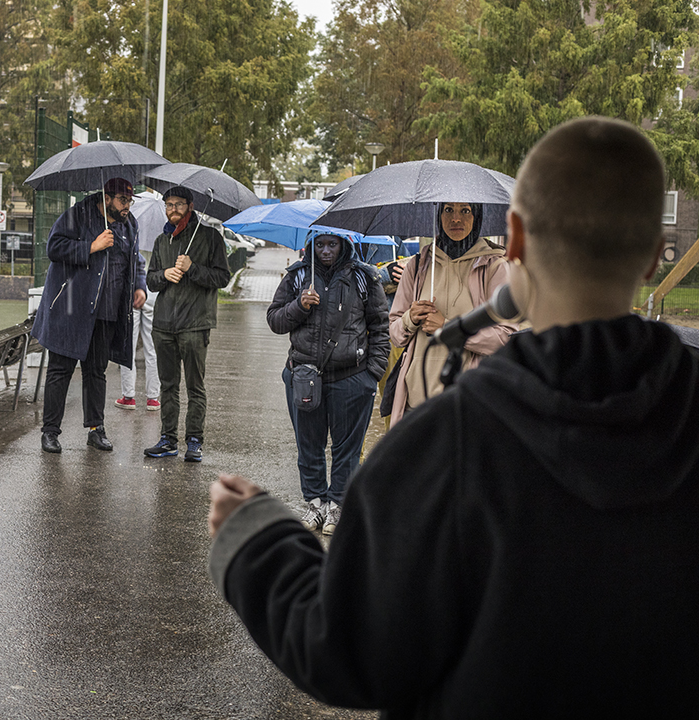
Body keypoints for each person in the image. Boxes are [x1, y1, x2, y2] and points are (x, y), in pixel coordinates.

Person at [206, 116, 699, 717]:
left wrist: (256, 540)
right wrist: (406, 325)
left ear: (512, 237)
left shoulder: (448, 441)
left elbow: (351, 647)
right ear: (654, 256)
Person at [266, 231, 388, 533]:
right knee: (309, 445)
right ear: (310, 246)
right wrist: (300, 305)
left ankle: (337, 505)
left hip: (352, 378)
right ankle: (316, 502)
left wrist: (372, 373)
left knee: (347, 448)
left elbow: (380, 325)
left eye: (331, 244)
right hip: (304, 377)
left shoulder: (364, 278)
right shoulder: (296, 276)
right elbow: (275, 320)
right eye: (319, 244)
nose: (325, 251)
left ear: (343, 244)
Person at [31, 177, 147, 454]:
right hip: (73, 309)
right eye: (122, 200)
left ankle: (96, 429)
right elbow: (54, 248)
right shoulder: (77, 215)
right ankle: (50, 432)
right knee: (61, 371)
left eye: (130, 201)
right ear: (106, 198)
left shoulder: (129, 224)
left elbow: (136, 259)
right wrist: (91, 247)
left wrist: (139, 285)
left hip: (108, 311)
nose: (127, 206)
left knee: (96, 372)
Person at [387, 201, 518, 423]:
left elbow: (505, 338)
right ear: (438, 215)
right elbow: (395, 334)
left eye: (465, 210)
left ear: (476, 216)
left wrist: (447, 326)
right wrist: (410, 319)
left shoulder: (494, 266)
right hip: (417, 404)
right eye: (448, 210)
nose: (455, 218)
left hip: (468, 404)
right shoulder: (418, 265)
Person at [142, 186, 231, 462]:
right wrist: (165, 274)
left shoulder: (210, 237)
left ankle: (194, 440)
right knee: (168, 385)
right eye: (168, 205)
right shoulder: (161, 241)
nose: (173, 210)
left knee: (195, 386)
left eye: (178, 204)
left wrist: (192, 268)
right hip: (164, 324)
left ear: (190, 206)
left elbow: (222, 278)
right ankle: (168, 439)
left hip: (195, 324)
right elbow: (150, 279)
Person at [115, 269, 161, 412]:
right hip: (154, 293)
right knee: (152, 349)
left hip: (133, 291)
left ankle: (128, 397)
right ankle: (153, 398)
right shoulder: (161, 245)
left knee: (128, 346)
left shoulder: (131, 245)